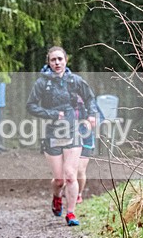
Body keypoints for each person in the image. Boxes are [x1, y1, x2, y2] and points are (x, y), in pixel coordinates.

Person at [26, 46, 97, 227]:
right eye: (53, 60)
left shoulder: (75, 80)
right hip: (52, 133)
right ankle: (56, 197)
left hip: (73, 131)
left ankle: (71, 213)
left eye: (60, 59)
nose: (57, 63)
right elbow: (31, 106)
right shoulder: (42, 83)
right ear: (48, 63)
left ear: (66, 60)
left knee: (71, 176)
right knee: (59, 180)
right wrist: (51, 114)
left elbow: (90, 98)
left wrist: (91, 115)